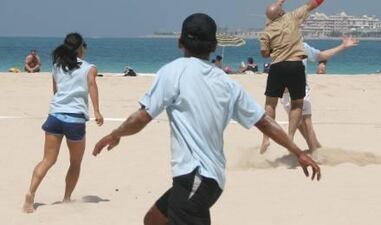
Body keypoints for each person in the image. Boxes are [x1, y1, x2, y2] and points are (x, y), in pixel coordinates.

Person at [92, 13, 321, 225]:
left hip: (196, 176)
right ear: (213, 46)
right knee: (154, 219)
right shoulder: (227, 83)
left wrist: (116, 134)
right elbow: (264, 122)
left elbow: (142, 117)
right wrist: (298, 151)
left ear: (180, 42)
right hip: (209, 180)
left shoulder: (174, 71)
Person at [23, 33, 104, 213]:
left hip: (55, 116)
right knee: (75, 162)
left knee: (47, 160)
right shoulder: (89, 68)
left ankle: (30, 193)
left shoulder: (57, 66)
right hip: (74, 120)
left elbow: (55, 91)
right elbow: (92, 86)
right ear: (81, 48)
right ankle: (66, 198)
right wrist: (97, 111)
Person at [262, 37, 359, 154]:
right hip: (298, 87)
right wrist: (343, 46)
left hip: (284, 91)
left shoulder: (277, 43)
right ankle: (314, 150)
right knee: (305, 121)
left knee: (298, 121)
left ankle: (314, 146)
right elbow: (322, 56)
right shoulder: (301, 46)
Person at [259, 0, 325, 152]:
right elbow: (312, 4)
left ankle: (266, 138)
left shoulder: (266, 31)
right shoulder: (292, 17)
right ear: (281, 12)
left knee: (270, 103)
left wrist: (274, 48)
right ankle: (289, 137)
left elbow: (264, 54)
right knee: (297, 104)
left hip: (276, 67)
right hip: (295, 66)